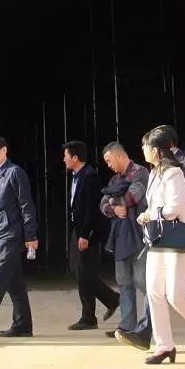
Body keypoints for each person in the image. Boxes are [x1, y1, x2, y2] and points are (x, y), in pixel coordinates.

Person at [115, 125, 185, 353]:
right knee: (154, 292)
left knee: (176, 296)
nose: (142, 150)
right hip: (157, 238)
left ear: (156, 150)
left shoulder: (174, 173)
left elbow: (174, 208)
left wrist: (151, 214)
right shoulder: (153, 174)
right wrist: (147, 214)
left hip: (177, 239)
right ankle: (164, 345)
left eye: (145, 146)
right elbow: (154, 205)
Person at [0, 136, 38, 337]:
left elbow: (26, 205)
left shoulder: (14, 173)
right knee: (15, 283)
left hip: (11, 235)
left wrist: (30, 235)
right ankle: (23, 325)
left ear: (4, 150)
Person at [63, 140, 119, 330]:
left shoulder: (89, 176)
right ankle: (110, 299)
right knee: (80, 272)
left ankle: (89, 317)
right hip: (78, 229)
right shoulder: (75, 176)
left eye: (66, 156)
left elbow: (91, 209)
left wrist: (85, 234)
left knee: (85, 273)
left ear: (75, 157)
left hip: (88, 232)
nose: (64, 159)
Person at [100, 142, 149, 338]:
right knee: (123, 281)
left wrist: (113, 200)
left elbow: (132, 197)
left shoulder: (140, 172)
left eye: (109, 160)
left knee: (143, 281)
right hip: (120, 237)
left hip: (139, 235)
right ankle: (127, 325)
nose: (108, 165)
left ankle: (150, 325)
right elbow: (102, 204)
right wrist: (113, 208)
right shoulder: (114, 179)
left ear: (119, 156)